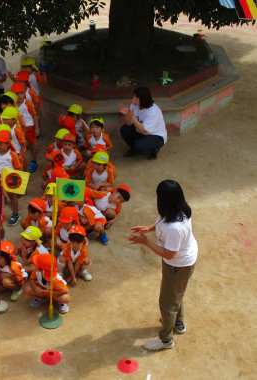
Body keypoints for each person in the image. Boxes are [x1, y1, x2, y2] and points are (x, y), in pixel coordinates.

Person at [128, 180, 197, 351]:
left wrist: (145, 242)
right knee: (175, 294)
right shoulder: (175, 210)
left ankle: (166, 340)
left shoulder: (175, 228)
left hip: (178, 265)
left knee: (167, 303)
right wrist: (148, 229)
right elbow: (160, 223)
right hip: (178, 263)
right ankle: (178, 323)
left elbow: (168, 254)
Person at [118, 86, 168, 160]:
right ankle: (134, 149)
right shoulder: (134, 105)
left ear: (142, 100)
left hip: (156, 135)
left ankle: (154, 149)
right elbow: (129, 124)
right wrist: (126, 115)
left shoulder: (153, 111)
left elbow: (144, 130)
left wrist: (132, 117)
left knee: (140, 147)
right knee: (124, 129)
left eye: (135, 98)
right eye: (133, 97)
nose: (133, 100)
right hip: (142, 131)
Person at [0, 130, 22, 227]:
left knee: (12, 196)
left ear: (8, 144)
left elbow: (17, 169)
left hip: (10, 179)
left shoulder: (13, 154)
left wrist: (17, 182)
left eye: (0, 144)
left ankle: (16, 214)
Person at [12, 82, 39, 173]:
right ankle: (19, 164)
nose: (20, 96)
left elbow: (34, 115)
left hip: (29, 128)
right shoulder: (12, 105)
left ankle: (34, 162)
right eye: (17, 94)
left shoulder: (28, 103)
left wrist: (36, 128)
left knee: (31, 145)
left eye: (22, 93)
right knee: (19, 147)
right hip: (18, 129)